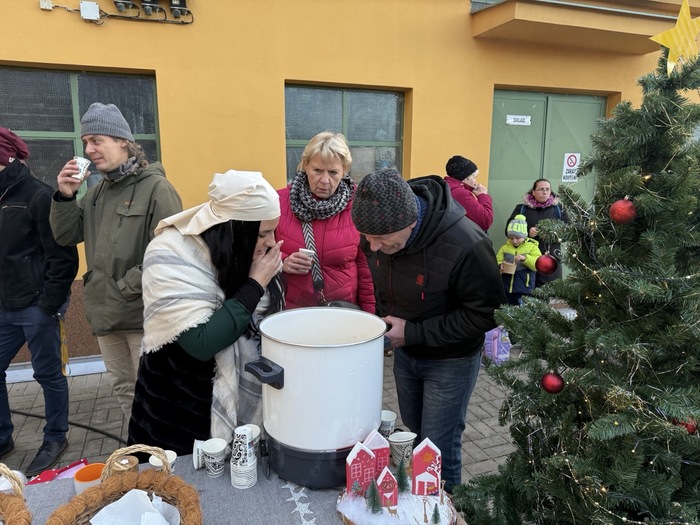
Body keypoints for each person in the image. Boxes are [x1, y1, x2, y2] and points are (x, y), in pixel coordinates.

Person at [351, 168, 506, 493]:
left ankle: (444, 509)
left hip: (451, 361)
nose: (372, 247)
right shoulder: (378, 233)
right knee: (415, 434)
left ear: (410, 222)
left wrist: (413, 332)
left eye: (382, 239)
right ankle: (420, 502)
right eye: (367, 236)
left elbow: (487, 315)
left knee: (437, 448)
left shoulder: (468, 243)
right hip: (407, 354)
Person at [127, 170, 284, 455]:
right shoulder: (170, 253)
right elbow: (201, 342)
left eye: (274, 231)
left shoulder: (241, 251)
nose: (272, 242)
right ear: (234, 229)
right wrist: (255, 283)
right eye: (262, 234)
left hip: (236, 404)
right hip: (176, 412)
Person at [50, 103, 182, 421]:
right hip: (106, 316)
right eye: (86, 142)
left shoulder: (157, 189)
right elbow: (66, 235)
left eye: (96, 140)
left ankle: (162, 447)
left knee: (156, 392)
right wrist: (65, 196)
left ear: (122, 141)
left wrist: (124, 287)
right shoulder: (96, 194)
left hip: (143, 316)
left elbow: (171, 254)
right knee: (124, 388)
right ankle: (138, 442)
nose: (88, 149)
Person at [0, 128, 79, 476]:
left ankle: (55, 437)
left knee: (47, 374)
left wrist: (48, 305)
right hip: (4, 306)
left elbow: (63, 258)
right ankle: (3, 437)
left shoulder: (38, 196)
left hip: (36, 306)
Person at [276, 131, 374, 312]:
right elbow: (258, 254)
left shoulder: (358, 205)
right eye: (317, 170)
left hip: (343, 312)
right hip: (293, 313)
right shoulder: (278, 202)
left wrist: (370, 316)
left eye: (333, 172)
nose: (325, 180)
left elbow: (366, 269)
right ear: (305, 165)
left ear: (344, 171)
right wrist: (282, 262)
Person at [505, 178, 569, 287]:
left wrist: (550, 233)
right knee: (525, 290)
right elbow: (508, 229)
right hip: (525, 260)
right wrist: (527, 231)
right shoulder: (522, 209)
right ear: (533, 192)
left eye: (547, 189)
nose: (545, 192)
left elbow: (568, 231)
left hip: (550, 259)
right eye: (541, 189)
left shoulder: (559, 209)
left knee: (550, 291)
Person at [496, 214, 542, 306]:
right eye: (511, 238)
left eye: (517, 238)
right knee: (507, 309)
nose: (514, 241)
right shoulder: (504, 248)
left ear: (524, 236)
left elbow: (537, 264)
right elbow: (497, 260)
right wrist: (500, 265)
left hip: (525, 288)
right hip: (507, 287)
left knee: (523, 310)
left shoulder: (532, 247)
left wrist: (525, 258)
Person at [444, 155, 493, 232]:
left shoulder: (445, 187)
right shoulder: (461, 194)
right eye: (474, 177)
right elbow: (485, 221)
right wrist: (483, 196)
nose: (475, 182)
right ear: (465, 178)